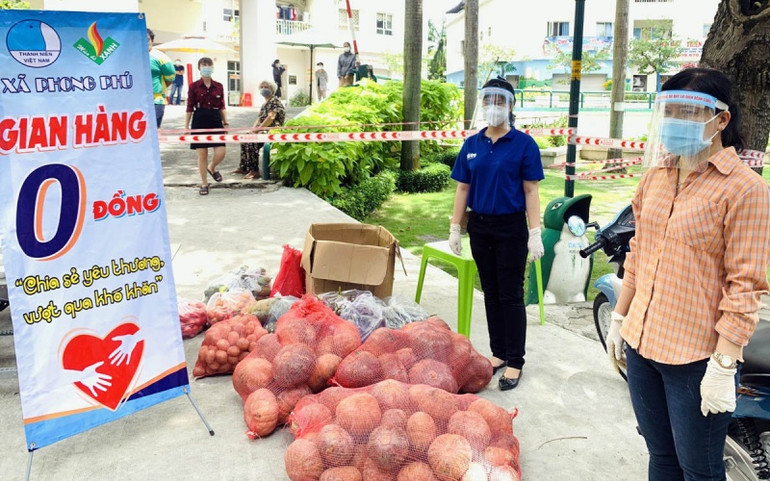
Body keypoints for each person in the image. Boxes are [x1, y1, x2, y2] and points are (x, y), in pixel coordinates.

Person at [608, 67, 770, 480]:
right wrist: (619, 317)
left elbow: (745, 285)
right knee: (660, 455)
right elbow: (640, 252)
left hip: (695, 357)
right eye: (670, 110)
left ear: (721, 120)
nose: (676, 120)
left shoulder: (745, 190)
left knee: (699, 468)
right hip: (643, 345)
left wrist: (723, 363)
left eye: (689, 111)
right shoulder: (655, 178)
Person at [448, 77, 544, 391]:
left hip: (511, 227)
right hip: (480, 226)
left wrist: (535, 231)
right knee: (490, 291)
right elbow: (463, 187)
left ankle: (515, 360)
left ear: (511, 105)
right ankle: (498, 351)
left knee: (510, 293)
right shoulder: (473, 144)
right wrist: (454, 226)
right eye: (489, 100)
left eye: (500, 101)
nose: (494, 106)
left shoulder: (524, 144)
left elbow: (531, 191)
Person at [185, 57, 229, 196]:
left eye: (209, 65)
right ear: (199, 67)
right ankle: (204, 183)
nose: (207, 67)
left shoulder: (219, 86)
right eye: (204, 65)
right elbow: (189, 106)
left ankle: (212, 167)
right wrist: (186, 126)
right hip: (200, 119)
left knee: (221, 151)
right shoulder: (194, 86)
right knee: (202, 154)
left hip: (215, 119)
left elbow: (222, 105)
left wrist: (226, 122)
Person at [235, 80, 285, 180]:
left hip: (273, 130)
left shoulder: (274, 101)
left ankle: (254, 171)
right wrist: (253, 129)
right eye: (262, 87)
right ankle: (244, 167)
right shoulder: (264, 104)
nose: (263, 89)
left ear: (272, 90)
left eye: (266, 87)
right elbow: (259, 119)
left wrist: (257, 130)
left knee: (252, 141)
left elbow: (270, 118)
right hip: (263, 130)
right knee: (245, 139)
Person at [147, 28, 176, 127]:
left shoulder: (161, 58)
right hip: (137, 102)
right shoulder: (133, 56)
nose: (145, 42)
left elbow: (170, 79)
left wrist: (157, 88)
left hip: (156, 102)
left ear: (152, 41)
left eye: (147, 39)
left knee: (152, 132)